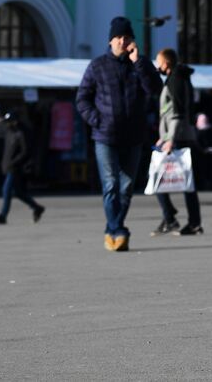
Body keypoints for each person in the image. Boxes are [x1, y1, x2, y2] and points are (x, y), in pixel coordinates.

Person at [76, 16, 159, 252]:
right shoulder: (97, 66)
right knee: (111, 183)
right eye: (118, 37)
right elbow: (82, 99)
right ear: (111, 40)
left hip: (133, 136)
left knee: (127, 186)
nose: (123, 41)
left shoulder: (139, 65)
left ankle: (113, 228)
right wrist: (97, 120)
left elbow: (155, 90)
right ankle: (118, 230)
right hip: (105, 136)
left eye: (127, 37)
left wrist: (139, 62)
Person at [151, 48, 203, 237]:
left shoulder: (175, 81)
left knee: (158, 177)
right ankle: (192, 222)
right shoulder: (181, 78)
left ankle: (171, 217)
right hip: (181, 136)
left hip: (178, 138)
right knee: (187, 183)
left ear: (166, 63)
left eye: (159, 62)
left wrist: (169, 139)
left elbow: (176, 113)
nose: (158, 66)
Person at [0, 112, 45, 225]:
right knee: (18, 192)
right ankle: (37, 208)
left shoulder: (21, 133)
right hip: (8, 166)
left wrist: (14, 163)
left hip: (16, 168)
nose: (7, 124)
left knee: (6, 190)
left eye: (9, 122)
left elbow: (26, 152)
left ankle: (3, 216)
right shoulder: (9, 132)